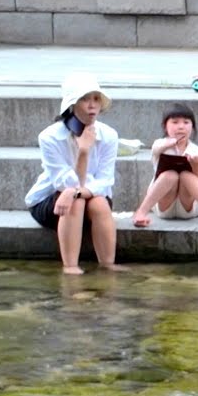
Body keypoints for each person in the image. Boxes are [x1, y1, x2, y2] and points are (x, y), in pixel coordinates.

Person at [24, 72, 124, 275]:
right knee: (74, 201)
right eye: (85, 99)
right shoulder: (49, 137)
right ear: (73, 104)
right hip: (52, 203)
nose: (92, 105)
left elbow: (105, 182)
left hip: (89, 197)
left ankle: (108, 265)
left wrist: (75, 192)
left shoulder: (109, 135)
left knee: (99, 201)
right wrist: (84, 152)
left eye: (96, 99)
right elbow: (63, 183)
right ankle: (70, 268)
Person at [133, 103, 198, 228]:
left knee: (186, 175)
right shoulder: (160, 145)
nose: (181, 127)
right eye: (175, 122)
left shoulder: (196, 151)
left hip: (188, 207)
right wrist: (171, 143)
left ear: (192, 127)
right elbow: (155, 150)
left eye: (186, 122)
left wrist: (196, 167)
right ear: (165, 126)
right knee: (170, 175)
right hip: (164, 206)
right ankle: (141, 212)